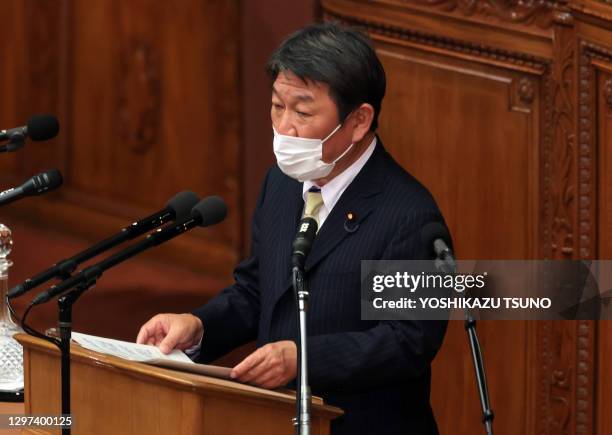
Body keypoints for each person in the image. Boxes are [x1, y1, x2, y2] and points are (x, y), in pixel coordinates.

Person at [137, 22, 449, 435]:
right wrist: (199, 327)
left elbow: (405, 342)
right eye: (276, 106)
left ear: (358, 121)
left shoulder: (409, 213)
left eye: (302, 112)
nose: (284, 128)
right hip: (273, 420)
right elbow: (257, 290)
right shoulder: (282, 184)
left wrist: (303, 359)